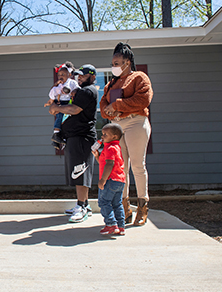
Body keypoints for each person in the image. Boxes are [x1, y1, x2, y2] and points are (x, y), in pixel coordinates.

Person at [100, 42, 153, 226]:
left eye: (117, 63)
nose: (114, 66)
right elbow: (103, 107)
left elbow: (143, 99)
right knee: (120, 168)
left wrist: (116, 106)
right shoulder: (110, 84)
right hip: (117, 126)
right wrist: (110, 111)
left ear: (127, 62)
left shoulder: (139, 77)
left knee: (137, 166)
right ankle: (124, 208)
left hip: (136, 122)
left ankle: (142, 207)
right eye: (112, 63)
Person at [49, 64, 98, 223]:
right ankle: (84, 204)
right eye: (78, 75)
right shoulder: (80, 90)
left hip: (82, 137)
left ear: (92, 77)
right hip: (74, 137)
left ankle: (82, 207)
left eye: (83, 75)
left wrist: (56, 107)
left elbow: (75, 109)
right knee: (78, 171)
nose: (80, 77)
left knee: (80, 172)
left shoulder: (88, 91)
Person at [92, 123, 126, 235]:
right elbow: (104, 163)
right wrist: (97, 156)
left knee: (104, 202)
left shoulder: (110, 148)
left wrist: (102, 180)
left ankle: (111, 224)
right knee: (117, 204)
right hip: (120, 181)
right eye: (102, 134)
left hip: (110, 180)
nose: (102, 136)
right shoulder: (117, 148)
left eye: (105, 134)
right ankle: (121, 226)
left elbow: (109, 165)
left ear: (115, 136)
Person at [44, 62, 80, 149]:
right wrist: (57, 89)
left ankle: (61, 137)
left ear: (70, 74)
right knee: (59, 117)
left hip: (68, 103)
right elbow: (52, 94)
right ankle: (56, 135)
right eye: (59, 74)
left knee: (67, 120)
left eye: (63, 74)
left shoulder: (72, 82)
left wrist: (72, 92)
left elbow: (78, 89)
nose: (61, 76)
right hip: (59, 103)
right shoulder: (58, 84)